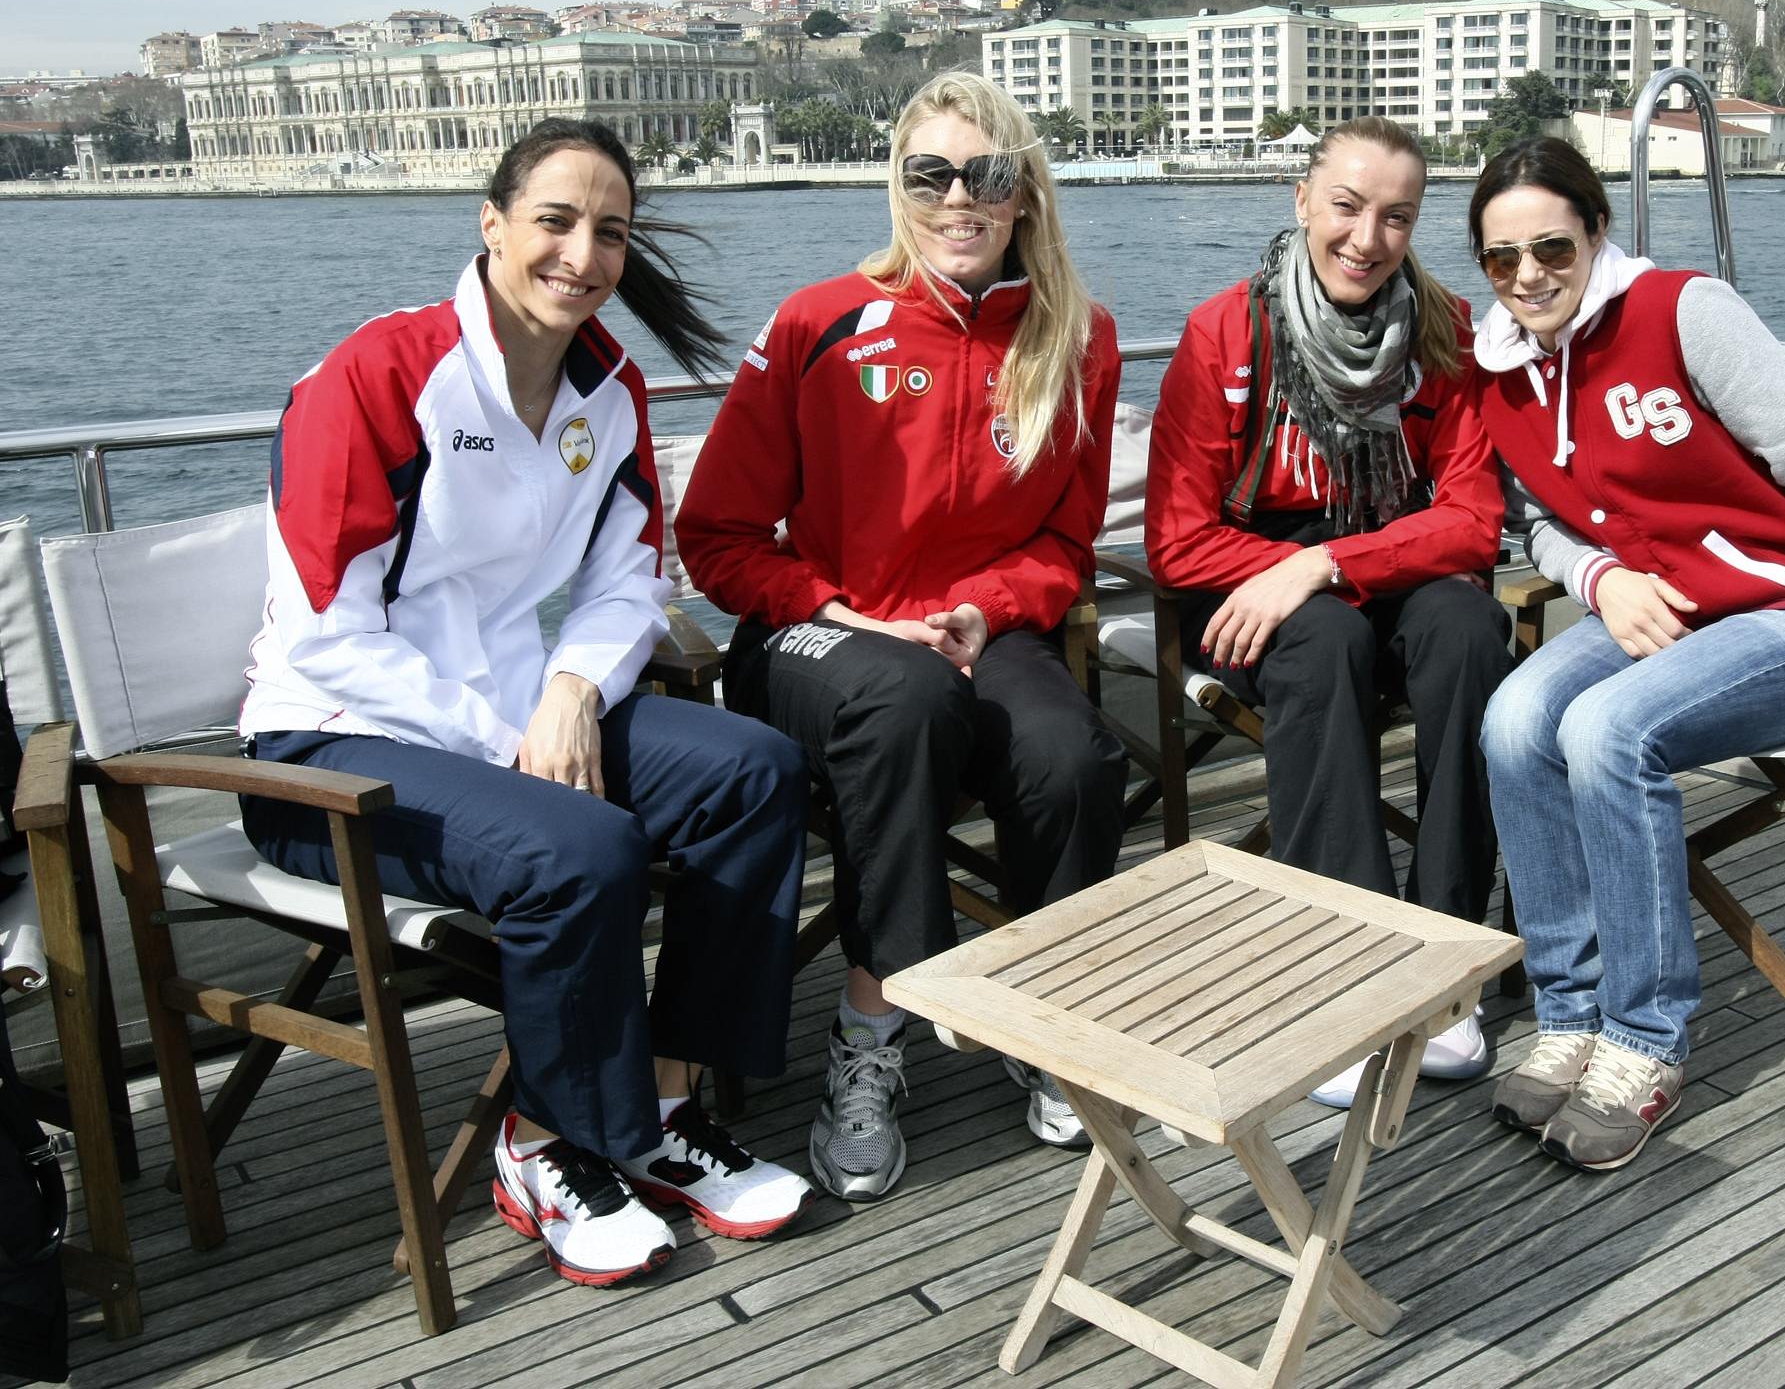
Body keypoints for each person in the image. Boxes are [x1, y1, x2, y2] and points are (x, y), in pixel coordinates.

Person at [239, 118, 814, 1287]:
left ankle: (663, 1108)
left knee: (755, 773)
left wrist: (568, 690)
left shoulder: (609, 388)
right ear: (492, 223)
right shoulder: (378, 376)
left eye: (611, 232)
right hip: (328, 745)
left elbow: (629, 581)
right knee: (579, 845)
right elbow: (325, 635)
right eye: (555, 221)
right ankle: (545, 1142)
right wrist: (511, 738)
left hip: (511, 713)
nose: (583, 255)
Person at [676, 72, 1128, 1200]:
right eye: (931, 174)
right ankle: (875, 1025)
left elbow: (1064, 544)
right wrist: (833, 607)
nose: (958, 198)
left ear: (1023, 190)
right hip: (816, 634)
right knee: (905, 700)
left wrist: (988, 608)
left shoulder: (1078, 339)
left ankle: (1045, 1020)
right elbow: (716, 537)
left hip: (976, 632)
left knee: (1074, 756)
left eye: (985, 174)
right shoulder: (818, 322)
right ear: (900, 187)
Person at [1466, 137, 1785, 1171]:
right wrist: (1600, 579)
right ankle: (1570, 1009)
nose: (1530, 275)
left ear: (1597, 233)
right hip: (1654, 611)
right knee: (1512, 719)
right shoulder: (1500, 373)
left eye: (1552, 247)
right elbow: (1538, 524)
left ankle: (1645, 1038)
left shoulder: (1684, 311)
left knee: (1606, 730)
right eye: (1502, 259)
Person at [1144, 116, 1511, 1107]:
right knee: (1323, 639)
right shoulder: (1225, 333)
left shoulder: (1445, 332)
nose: (1367, 238)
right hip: (1254, 579)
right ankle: (1341, 968)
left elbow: (1474, 521)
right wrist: (1289, 572)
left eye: (1397, 217)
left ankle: (1449, 952)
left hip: (1371, 562)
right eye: (1347, 206)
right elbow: (1176, 543)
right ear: (1302, 199)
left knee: (1469, 631)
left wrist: (1325, 564)